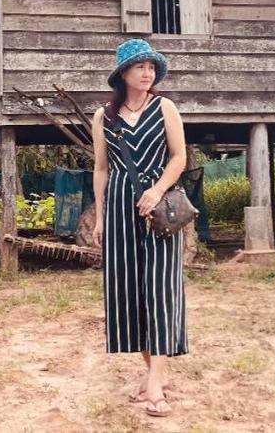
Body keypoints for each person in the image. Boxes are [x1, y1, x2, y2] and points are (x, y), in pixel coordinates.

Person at [92, 38, 188, 419]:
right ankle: (153, 374)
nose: (148, 73)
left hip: (158, 207)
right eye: (140, 66)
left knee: (161, 290)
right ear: (123, 74)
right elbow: (101, 169)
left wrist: (157, 189)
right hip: (118, 206)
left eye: (151, 67)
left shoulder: (166, 107)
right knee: (128, 292)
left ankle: (154, 384)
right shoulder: (104, 116)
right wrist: (100, 217)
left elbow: (179, 156)